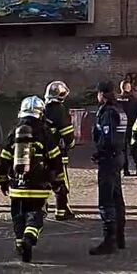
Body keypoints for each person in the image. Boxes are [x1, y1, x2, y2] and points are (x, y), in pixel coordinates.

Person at [0, 96, 65, 262]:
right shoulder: (45, 131)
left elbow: (4, 157)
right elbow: (55, 158)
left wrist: (3, 180)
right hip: (39, 185)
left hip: (16, 185)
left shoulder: (14, 131)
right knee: (36, 214)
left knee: (18, 215)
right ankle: (29, 237)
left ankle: (20, 242)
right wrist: (58, 181)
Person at [90, 81, 126, 255]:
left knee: (106, 200)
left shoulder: (108, 113)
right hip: (118, 157)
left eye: (97, 93)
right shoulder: (119, 109)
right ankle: (119, 238)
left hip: (109, 159)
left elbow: (108, 137)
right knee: (117, 198)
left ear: (102, 94)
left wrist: (99, 153)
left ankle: (109, 240)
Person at [43, 81, 76, 221]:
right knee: (61, 181)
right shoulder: (60, 110)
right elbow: (67, 133)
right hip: (58, 153)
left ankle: (42, 209)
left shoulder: (42, 109)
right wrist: (70, 144)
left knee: (43, 180)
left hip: (43, 154)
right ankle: (62, 211)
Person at [116, 80, 137, 177]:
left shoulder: (117, 100)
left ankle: (125, 170)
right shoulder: (134, 100)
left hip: (121, 128)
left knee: (123, 150)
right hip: (132, 126)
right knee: (134, 148)